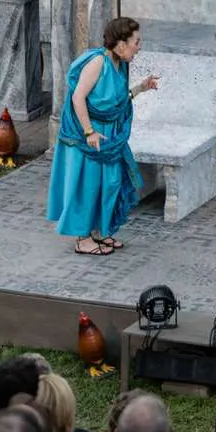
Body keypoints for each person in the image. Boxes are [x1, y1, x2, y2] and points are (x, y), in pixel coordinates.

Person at [46, 16, 159, 255]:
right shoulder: (97, 62)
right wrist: (89, 132)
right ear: (122, 44)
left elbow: (115, 101)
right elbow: (77, 97)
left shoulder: (120, 64)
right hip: (87, 135)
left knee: (110, 183)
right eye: (136, 42)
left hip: (109, 136)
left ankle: (98, 231)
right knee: (87, 185)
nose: (139, 47)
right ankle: (83, 238)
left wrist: (141, 87)